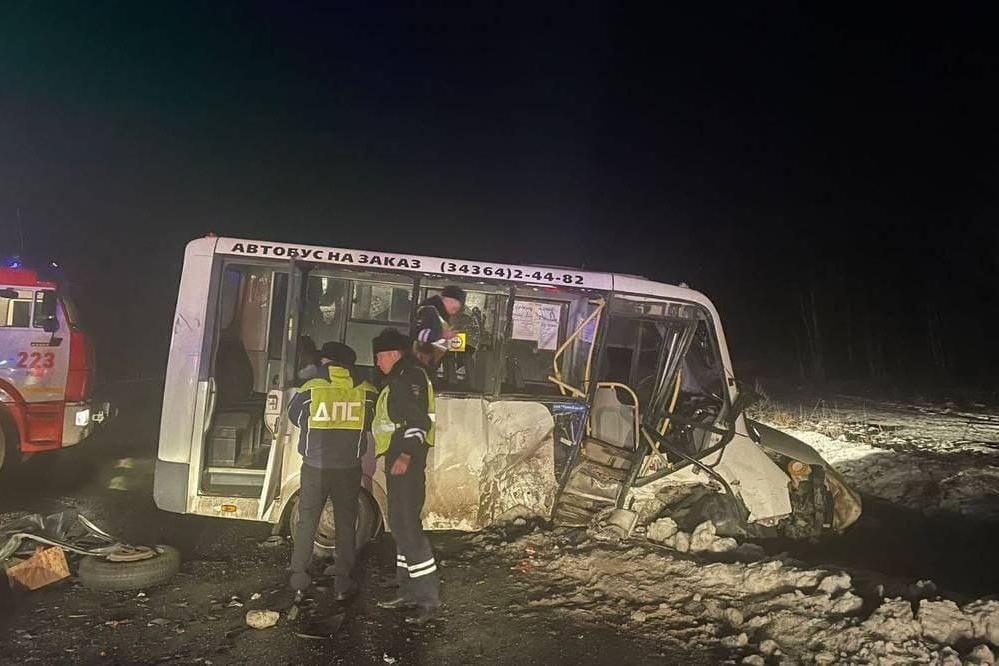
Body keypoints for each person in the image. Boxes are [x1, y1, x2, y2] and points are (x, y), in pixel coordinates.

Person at [287, 341, 375, 602]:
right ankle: (342, 582)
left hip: (315, 466)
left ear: (327, 361)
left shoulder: (311, 388)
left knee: (307, 522)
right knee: (346, 523)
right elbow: (372, 420)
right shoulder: (367, 390)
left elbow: (296, 417)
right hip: (348, 467)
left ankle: (300, 581)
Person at [370, 328, 440, 624]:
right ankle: (408, 590)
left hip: (406, 462)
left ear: (391, 354)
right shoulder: (401, 376)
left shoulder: (407, 377)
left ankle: (427, 599)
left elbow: (419, 420)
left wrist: (406, 454)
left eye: (378, 357)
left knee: (408, 528)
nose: (376, 363)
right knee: (399, 526)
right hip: (399, 460)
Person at [412, 285, 465, 370]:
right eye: (454, 308)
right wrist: (442, 335)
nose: (454, 312)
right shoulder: (429, 310)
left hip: (428, 363)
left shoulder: (439, 315)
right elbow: (420, 334)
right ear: (450, 300)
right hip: (420, 363)